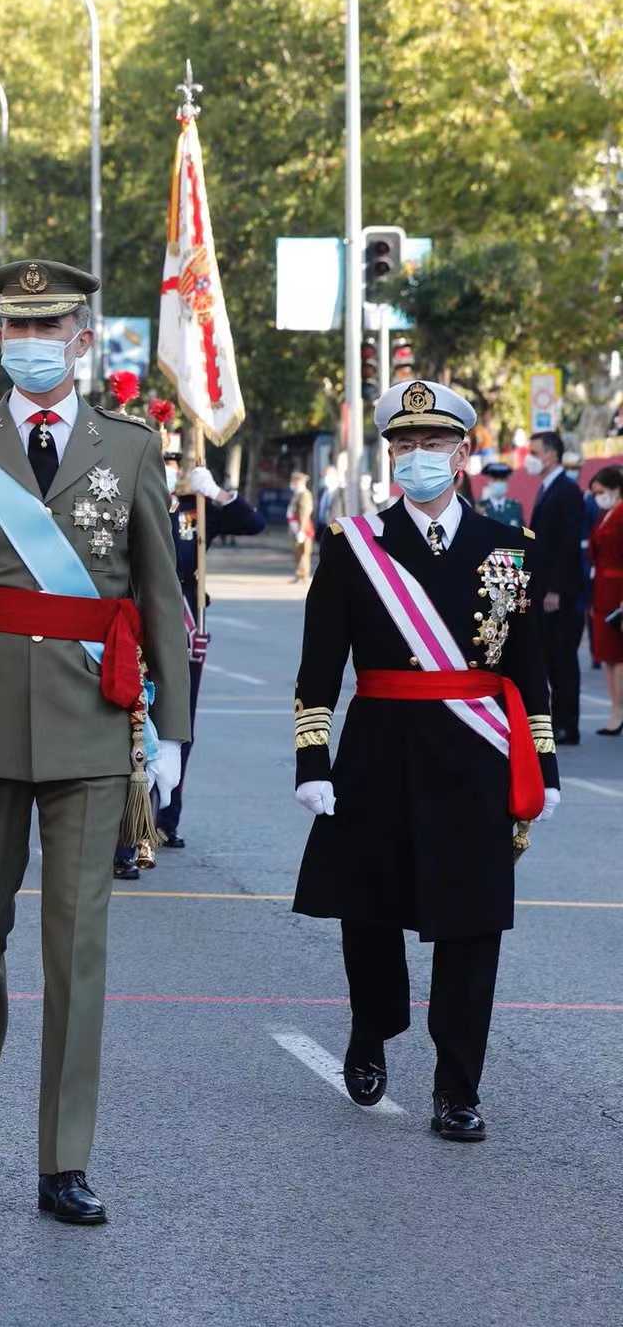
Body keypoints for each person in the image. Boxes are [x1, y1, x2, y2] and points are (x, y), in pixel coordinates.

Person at [0, 259, 190, 1224]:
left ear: (82, 341)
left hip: (91, 727)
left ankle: (64, 1157)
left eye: (48, 327)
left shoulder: (131, 449)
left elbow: (160, 594)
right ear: (1, 340)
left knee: (76, 947)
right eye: (16, 327)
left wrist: (173, 729)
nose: (30, 341)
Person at [292, 379, 560, 1142]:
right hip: (378, 750)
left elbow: (529, 668)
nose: (418, 458)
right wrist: (313, 760)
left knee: (472, 923)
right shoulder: (355, 548)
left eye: (433, 445)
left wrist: (545, 764)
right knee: (369, 908)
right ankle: (372, 1027)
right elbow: (319, 668)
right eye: (404, 446)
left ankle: (457, 1085)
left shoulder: (509, 551)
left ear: (464, 452)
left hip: (476, 753)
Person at [145, 441, 267, 860]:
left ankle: (166, 818)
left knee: (180, 723)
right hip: (138, 619)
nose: (168, 469)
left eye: (173, 462)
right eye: (161, 461)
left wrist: (216, 493)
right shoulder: (131, 498)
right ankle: (131, 820)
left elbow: (253, 524)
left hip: (184, 622)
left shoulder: (194, 506)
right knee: (135, 723)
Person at [526, 431, 584, 745]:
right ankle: (555, 722)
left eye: (533, 452)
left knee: (562, 660)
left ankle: (567, 725)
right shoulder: (549, 489)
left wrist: (556, 590)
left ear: (551, 455)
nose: (529, 458)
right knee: (548, 658)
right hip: (543, 590)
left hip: (558, 596)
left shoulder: (567, 491)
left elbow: (568, 546)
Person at [586, 465, 623, 735]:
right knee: (609, 657)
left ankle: (617, 712)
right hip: (602, 590)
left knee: (618, 656)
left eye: (600, 492)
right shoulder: (605, 515)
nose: (598, 497)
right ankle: (615, 709)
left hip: (617, 591)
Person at [475, 463, 524, 529]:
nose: (498, 483)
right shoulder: (479, 507)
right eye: (495, 480)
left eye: (502, 480)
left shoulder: (515, 507)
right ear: (489, 482)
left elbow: (522, 533)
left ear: (507, 483)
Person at [286, 470, 315, 582]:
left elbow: (305, 513)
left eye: (295, 481)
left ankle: (304, 575)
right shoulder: (297, 493)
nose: (293, 483)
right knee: (297, 552)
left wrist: (302, 530)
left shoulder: (305, 494)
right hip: (295, 526)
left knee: (304, 552)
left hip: (302, 527)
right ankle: (299, 574)